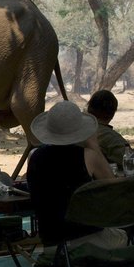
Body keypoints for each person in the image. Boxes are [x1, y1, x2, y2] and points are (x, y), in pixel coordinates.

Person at [26, 101, 127, 250]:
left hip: (52, 243)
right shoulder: (89, 156)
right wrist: (93, 145)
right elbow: (114, 188)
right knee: (123, 236)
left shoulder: (33, 156)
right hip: (86, 240)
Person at [86, 90, 130, 169]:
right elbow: (130, 161)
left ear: (89, 108)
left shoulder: (75, 130)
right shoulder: (110, 137)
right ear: (112, 114)